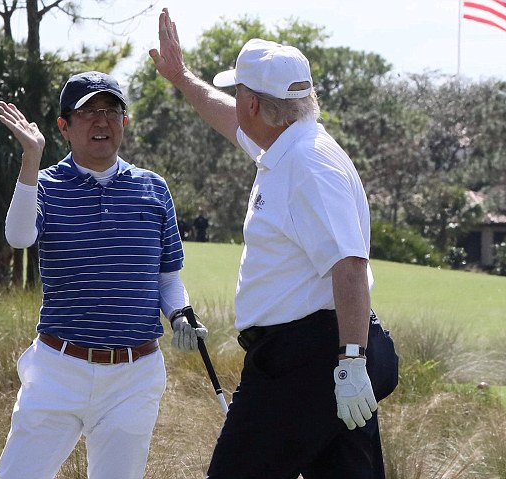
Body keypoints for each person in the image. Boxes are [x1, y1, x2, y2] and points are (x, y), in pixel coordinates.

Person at [150, 9, 383, 478]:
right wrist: (182, 77)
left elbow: (350, 265)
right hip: (321, 358)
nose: (235, 102)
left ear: (254, 104)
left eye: (239, 92)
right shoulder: (288, 146)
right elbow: (227, 118)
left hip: (306, 363)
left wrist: (351, 363)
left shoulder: (307, 164)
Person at [0, 71, 207, 479]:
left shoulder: (154, 189)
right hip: (58, 370)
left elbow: (167, 278)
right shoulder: (45, 184)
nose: (101, 121)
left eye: (111, 111)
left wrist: (180, 313)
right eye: (88, 112)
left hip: (134, 375)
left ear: (124, 122)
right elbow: (19, 236)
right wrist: (31, 158)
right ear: (64, 127)